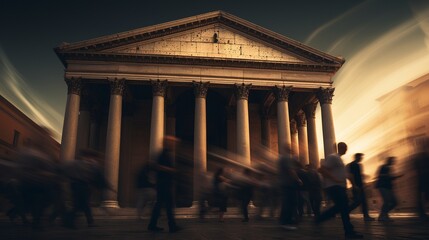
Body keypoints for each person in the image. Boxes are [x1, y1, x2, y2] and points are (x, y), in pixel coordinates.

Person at [317, 142, 363, 239]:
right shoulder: (333, 157)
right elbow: (322, 169)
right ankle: (349, 232)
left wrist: (354, 185)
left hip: (339, 187)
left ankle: (321, 218)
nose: (346, 149)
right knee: (343, 208)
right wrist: (334, 179)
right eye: (345, 147)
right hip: (334, 187)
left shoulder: (340, 160)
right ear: (341, 147)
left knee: (342, 208)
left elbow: (347, 175)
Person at [147, 136, 182, 233]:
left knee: (160, 205)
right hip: (164, 184)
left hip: (164, 183)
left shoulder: (166, 153)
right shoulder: (163, 154)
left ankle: (152, 224)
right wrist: (170, 170)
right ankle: (172, 226)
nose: (174, 145)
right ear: (167, 143)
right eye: (172, 143)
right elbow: (155, 166)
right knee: (168, 205)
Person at [278, 145, 302, 230]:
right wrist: (298, 179)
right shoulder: (286, 158)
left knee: (288, 202)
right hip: (289, 184)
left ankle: (286, 220)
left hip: (284, 183)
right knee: (290, 202)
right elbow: (291, 170)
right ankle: (285, 222)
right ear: (289, 150)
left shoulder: (281, 158)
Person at [346, 153, 375, 221]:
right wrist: (354, 185)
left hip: (359, 185)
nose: (361, 158)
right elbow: (351, 175)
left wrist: (364, 181)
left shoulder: (358, 165)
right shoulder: (353, 165)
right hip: (357, 186)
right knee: (358, 201)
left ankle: (366, 216)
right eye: (360, 157)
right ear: (357, 157)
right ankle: (346, 212)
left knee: (362, 201)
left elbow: (359, 176)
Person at [375, 156, 403, 222]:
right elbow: (381, 175)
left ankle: (383, 214)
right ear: (389, 161)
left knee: (394, 202)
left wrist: (396, 177)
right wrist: (394, 176)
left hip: (388, 187)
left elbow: (389, 177)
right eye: (392, 161)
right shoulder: (384, 167)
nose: (393, 162)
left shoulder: (390, 168)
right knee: (387, 201)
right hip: (382, 186)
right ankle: (383, 216)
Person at [412, 139, 429, 221]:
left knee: (424, 195)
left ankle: (421, 212)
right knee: (424, 195)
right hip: (423, 177)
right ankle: (421, 213)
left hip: (423, 177)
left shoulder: (421, 155)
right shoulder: (422, 156)